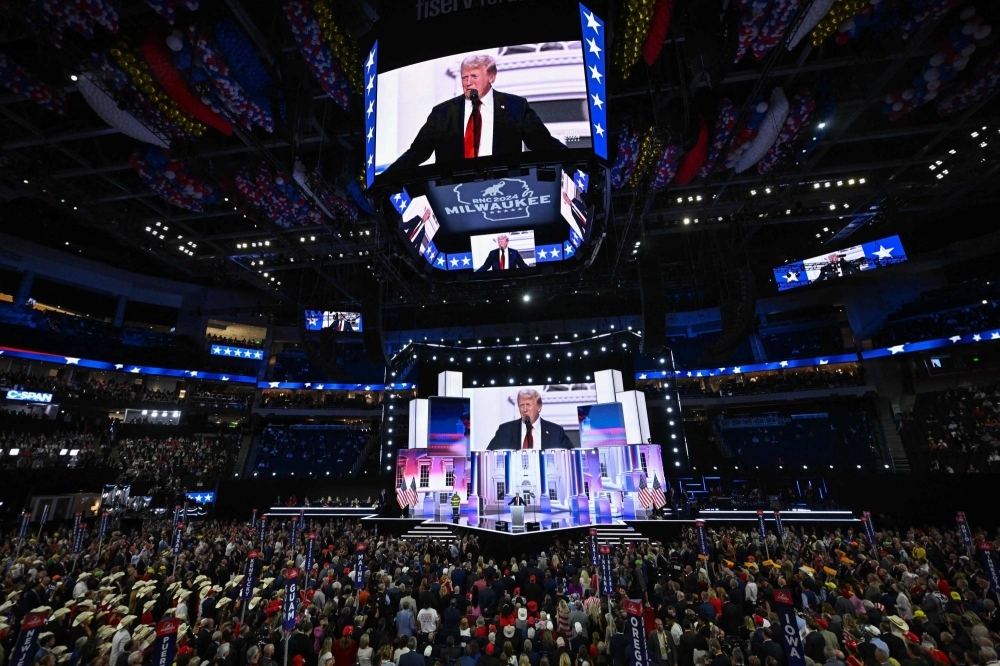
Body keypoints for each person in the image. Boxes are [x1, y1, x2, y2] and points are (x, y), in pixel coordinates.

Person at [381, 54, 565, 178]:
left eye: (474, 76)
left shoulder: (515, 107)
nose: (468, 83)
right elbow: (416, 153)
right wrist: (385, 178)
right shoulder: (443, 113)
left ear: (491, 77)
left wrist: (579, 161)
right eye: (464, 77)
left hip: (504, 191)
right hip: (454, 196)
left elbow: (544, 144)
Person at [487, 388, 574, 450]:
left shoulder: (556, 431)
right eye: (521, 405)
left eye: (528, 405)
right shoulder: (505, 430)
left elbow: (571, 456)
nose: (525, 410)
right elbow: (488, 456)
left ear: (539, 407)